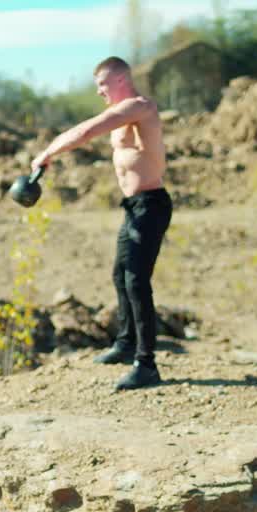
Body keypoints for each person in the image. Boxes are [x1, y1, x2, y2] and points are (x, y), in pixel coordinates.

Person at [32, 55, 171, 391]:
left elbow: (87, 131)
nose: (99, 92)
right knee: (120, 275)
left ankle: (146, 364)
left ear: (122, 80)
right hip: (134, 206)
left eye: (103, 84)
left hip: (151, 205)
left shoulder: (139, 107)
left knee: (136, 281)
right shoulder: (123, 115)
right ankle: (126, 344)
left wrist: (48, 152)